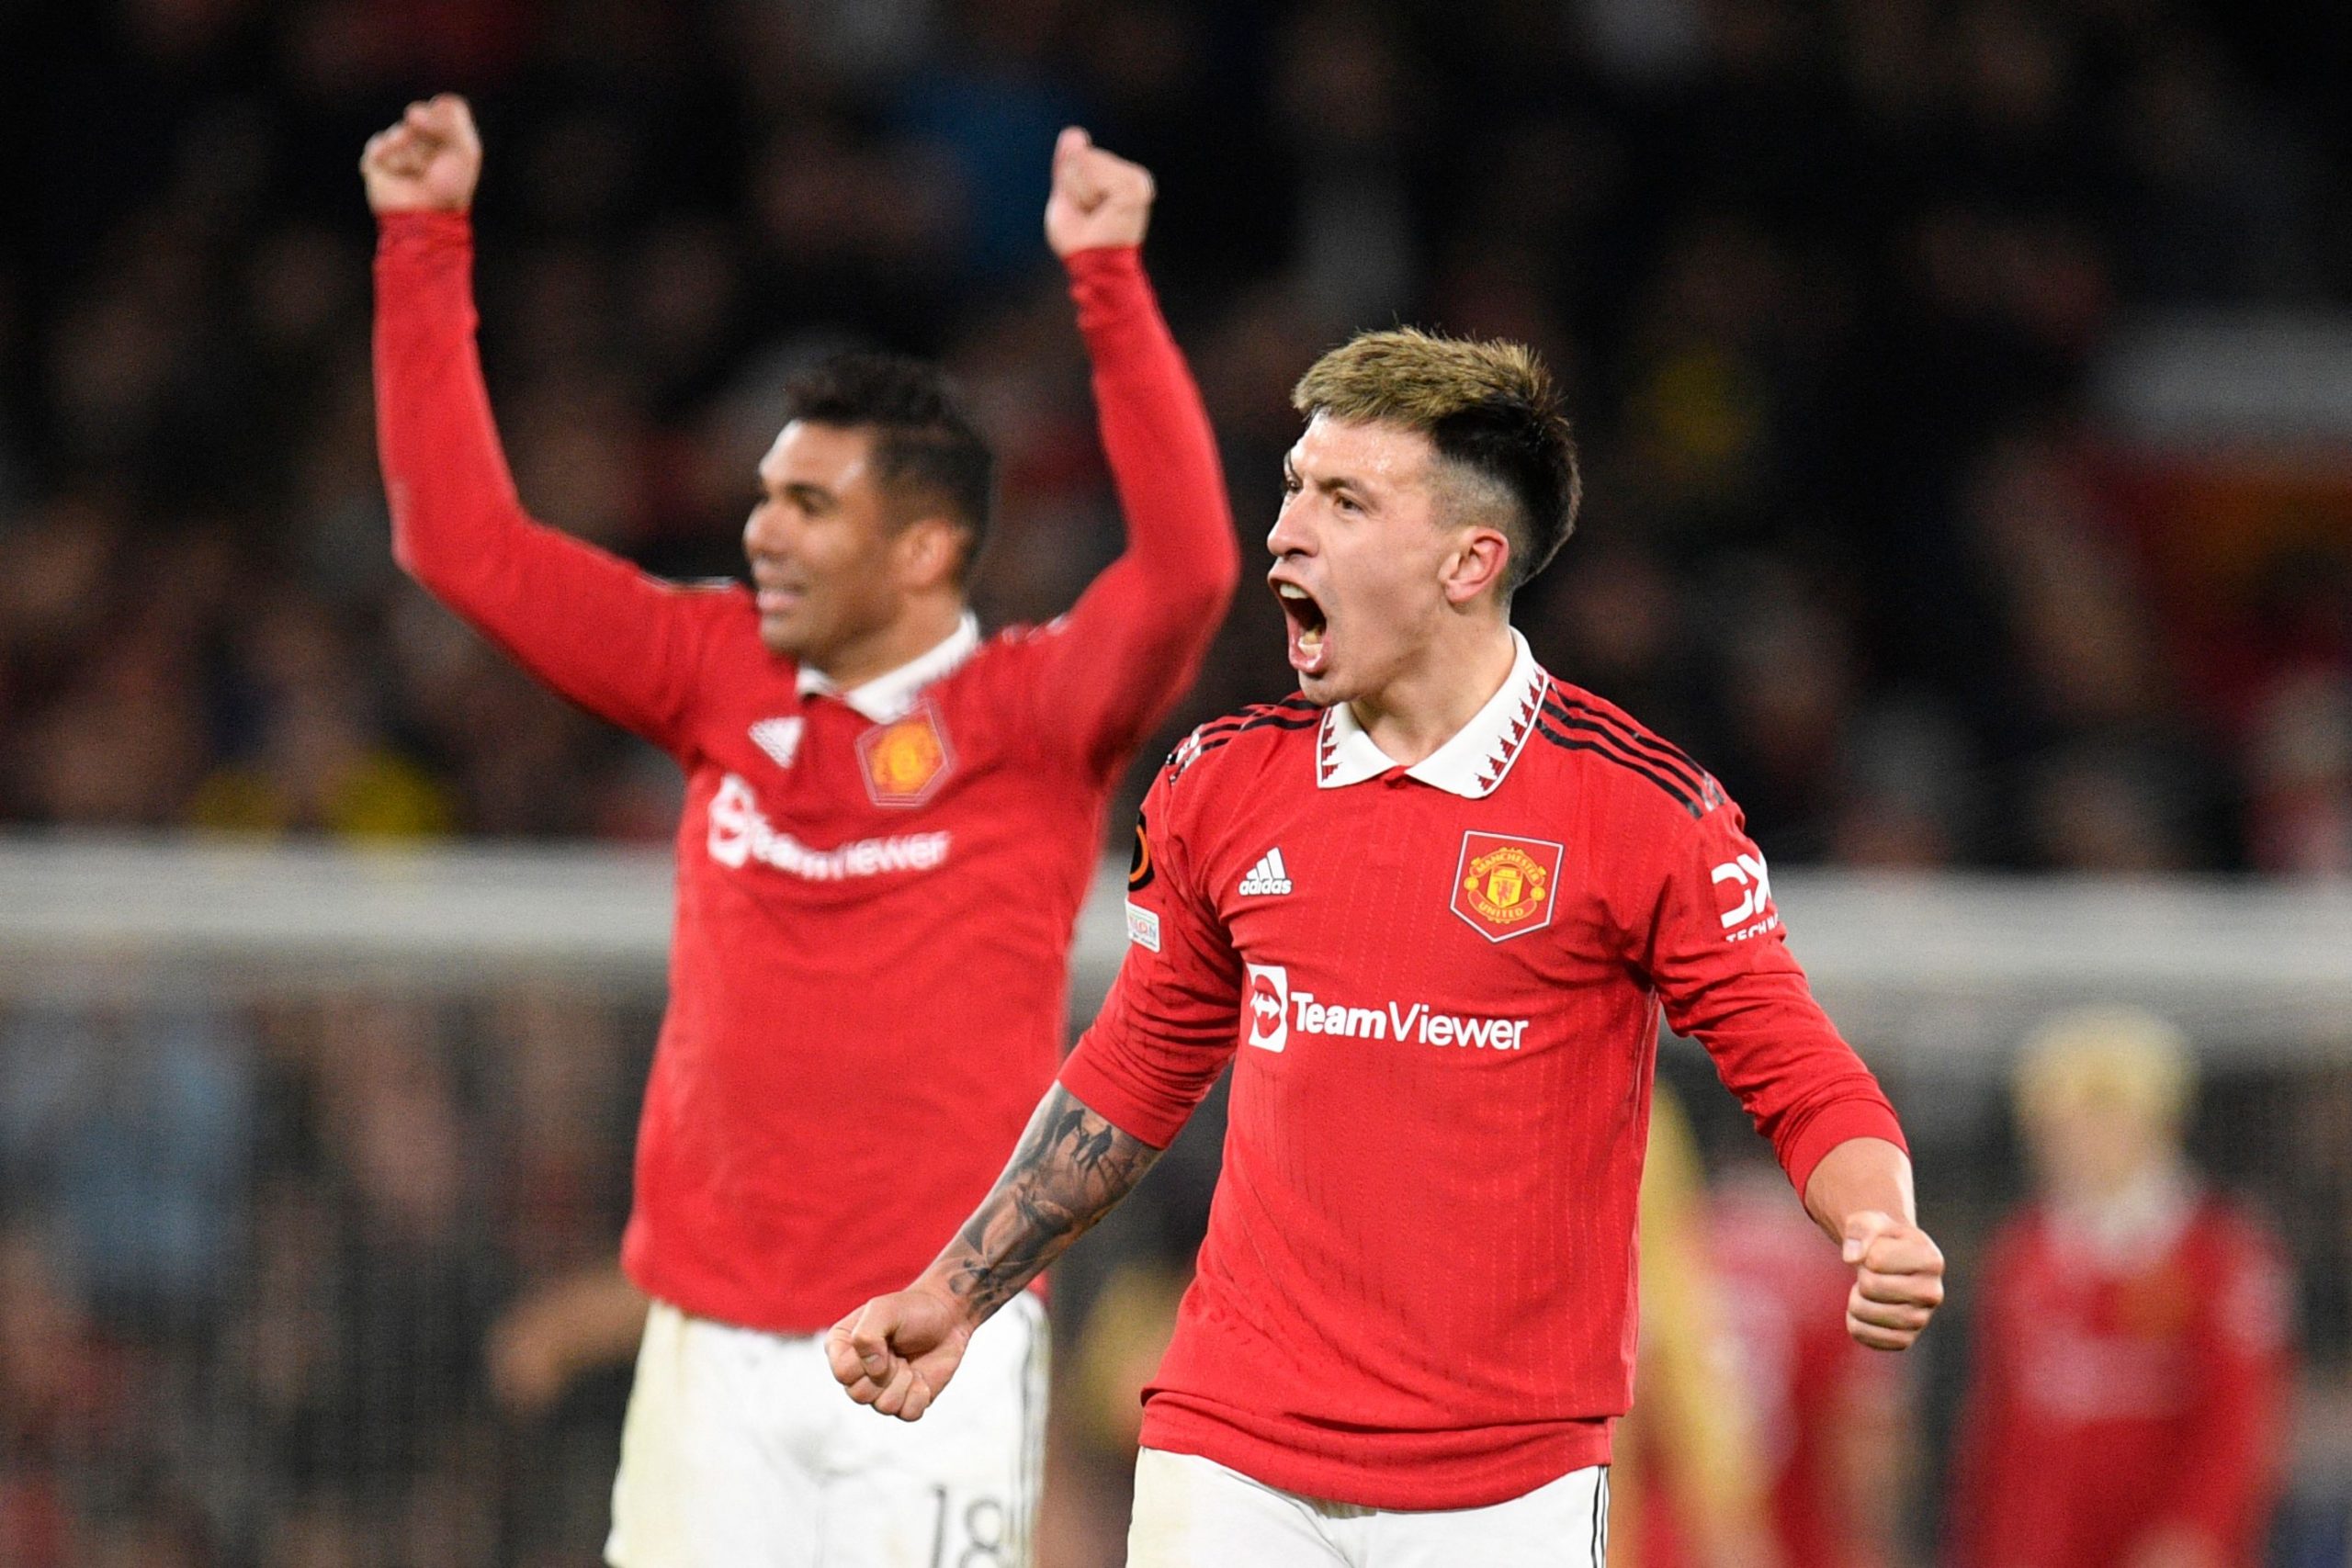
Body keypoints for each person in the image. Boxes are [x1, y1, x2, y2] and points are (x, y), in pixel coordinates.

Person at [829, 328, 1946, 1565]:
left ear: (1470, 560)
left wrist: (1878, 1220)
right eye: (1295, 487)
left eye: (1344, 499)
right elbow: (1137, 1067)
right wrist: (955, 1288)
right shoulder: (1218, 780)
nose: (1284, 532)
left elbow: (1794, 1063)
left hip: (1502, 1488)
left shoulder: (1644, 811)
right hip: (1230, 1447)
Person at [363, 94, 1238, 1568]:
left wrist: (1107, 279)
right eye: (765, 494)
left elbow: (1190, 572)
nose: (760, 527)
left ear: (925, 547)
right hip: (706, 1351)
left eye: (809, 504)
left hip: (931, 1340)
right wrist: (422, 240)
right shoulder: (713, 668)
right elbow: (462, 541)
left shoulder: (1035, 712)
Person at [1951, 1008, 2293, 1568]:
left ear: (2157, 1125)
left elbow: (2241, 1420)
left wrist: (2195, 1533)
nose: (2079, 1141)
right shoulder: (2022, 1252)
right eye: (2060, 1124)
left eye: (2102, 1120)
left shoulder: (2219, 1252)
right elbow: (1995, 1427)